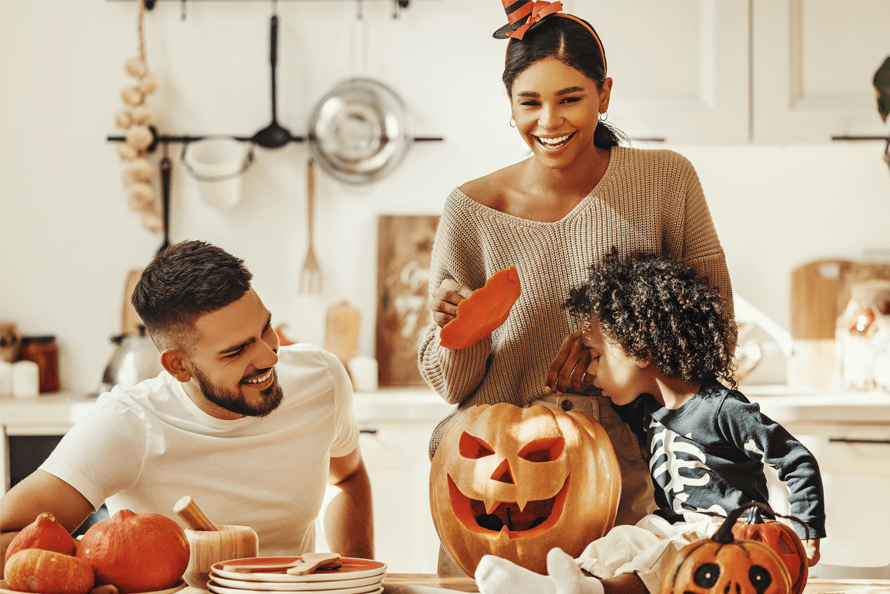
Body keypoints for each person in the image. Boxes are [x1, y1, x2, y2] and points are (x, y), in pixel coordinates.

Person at [419, 0, 735, 533]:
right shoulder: (471, 211)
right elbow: (451, 385)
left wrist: (625, 363)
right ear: (511, 104)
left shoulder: (665, 182)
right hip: (499, 476)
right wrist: (462, 330)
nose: (548, 122)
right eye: (530, 103)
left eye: (570, 99)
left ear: (604, 94)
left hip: (638, 475)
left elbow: (716, 335)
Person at [0, 240, 373, 572]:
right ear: (178, 365)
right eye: (237, 350)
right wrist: (97, 563)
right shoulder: (127, 425)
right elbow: (9, 533)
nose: (269, 356)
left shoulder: (321, 378)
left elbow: (348, 479)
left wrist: (361, 579)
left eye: (265, 329)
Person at [474, 252, 825, 594]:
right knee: (621, 539)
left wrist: (806, 526)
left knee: (666, 555)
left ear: (640, 349)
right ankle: (556, 587)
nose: (591, 369)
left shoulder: (722, 410)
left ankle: (594, 592)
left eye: (596, 357)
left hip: (729, 536)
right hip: (671, 527)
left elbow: (795, 459)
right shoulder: (648, 411)